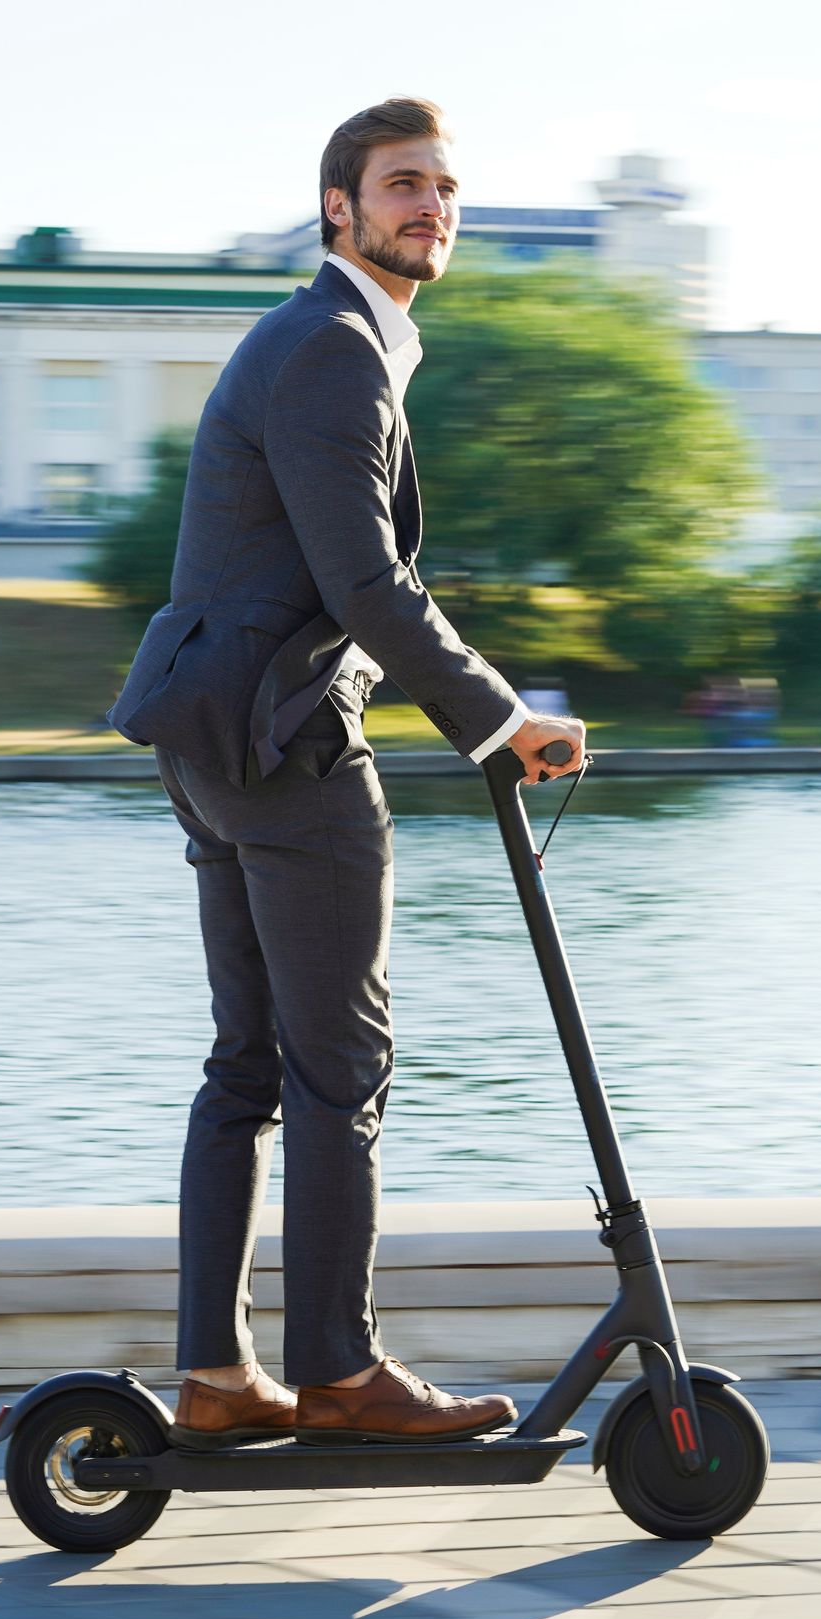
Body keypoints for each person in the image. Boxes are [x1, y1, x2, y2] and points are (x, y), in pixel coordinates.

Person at [106, 97, 585, 1450]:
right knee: (341, 1069)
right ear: (341, 208)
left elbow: (343, 578)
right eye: (401, 184)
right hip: (284, 743)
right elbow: (365, 581)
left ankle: (215, 1377)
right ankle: (336, 1371)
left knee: (248, 1068)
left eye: (443, 185)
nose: (430, 204)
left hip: (215, 743)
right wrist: (506, 722)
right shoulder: (331, 347)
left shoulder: (330, 342)